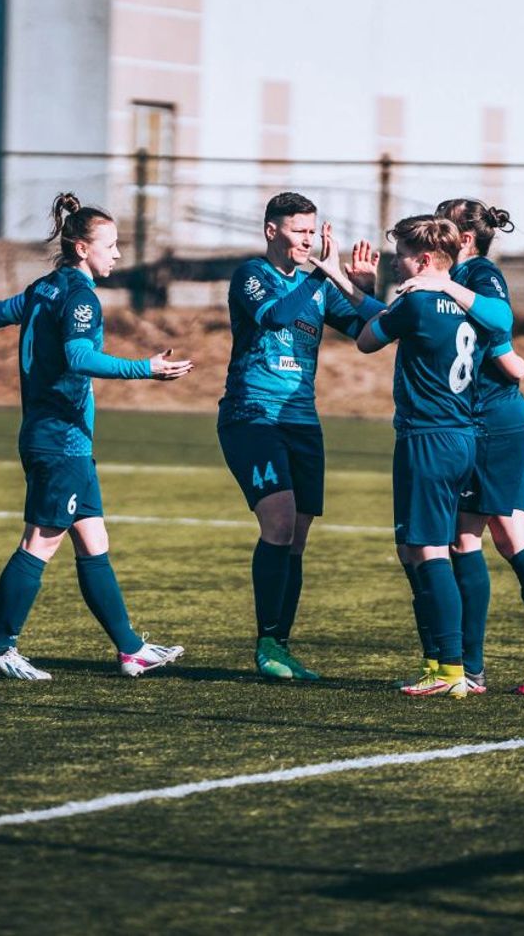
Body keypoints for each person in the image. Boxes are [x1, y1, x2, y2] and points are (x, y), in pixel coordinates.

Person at [0, 193, 191, 680]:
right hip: (59, 440)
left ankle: (131, 649)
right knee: (40, 542)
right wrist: (145, 369)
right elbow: (79, 357)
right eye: (110, 245)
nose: (117, 254)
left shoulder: (46, 288)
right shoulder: (80, 297)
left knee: (93, 540)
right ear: (81, 249)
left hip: (62, 438)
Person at [401, 199, 524, 697]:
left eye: (444, 226)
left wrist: (445, 286)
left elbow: (500, 318)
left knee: (466, 540)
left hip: (490, 423)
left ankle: (474, 667)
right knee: (509, 536)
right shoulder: (453, 281)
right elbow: (504, 352)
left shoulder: (478, 273)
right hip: (496, 422)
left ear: (463, 239)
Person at [217, 192, 383, 681]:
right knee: (279, 520)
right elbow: (275, 316)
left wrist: (362, 289)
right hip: (252, 415)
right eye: (299, 231)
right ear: (272, 231)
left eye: (313, 231)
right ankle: (267, 643)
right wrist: (322, 274)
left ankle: (281, 645)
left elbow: (371, 333)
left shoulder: (319, 286)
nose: (308, 240)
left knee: (297, 537)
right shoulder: (251, 274)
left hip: (303, 421)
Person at [350, 215, 487, 698]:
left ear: (424, 260)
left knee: (429, 550)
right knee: (414, 548)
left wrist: (367, 293)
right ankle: (437, 662)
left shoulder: (416, 302)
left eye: (401, 256)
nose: (395, 264)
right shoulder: (470, 303)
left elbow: (366, 340)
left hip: (426, 436)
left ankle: (451, 671)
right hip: (462, 435)